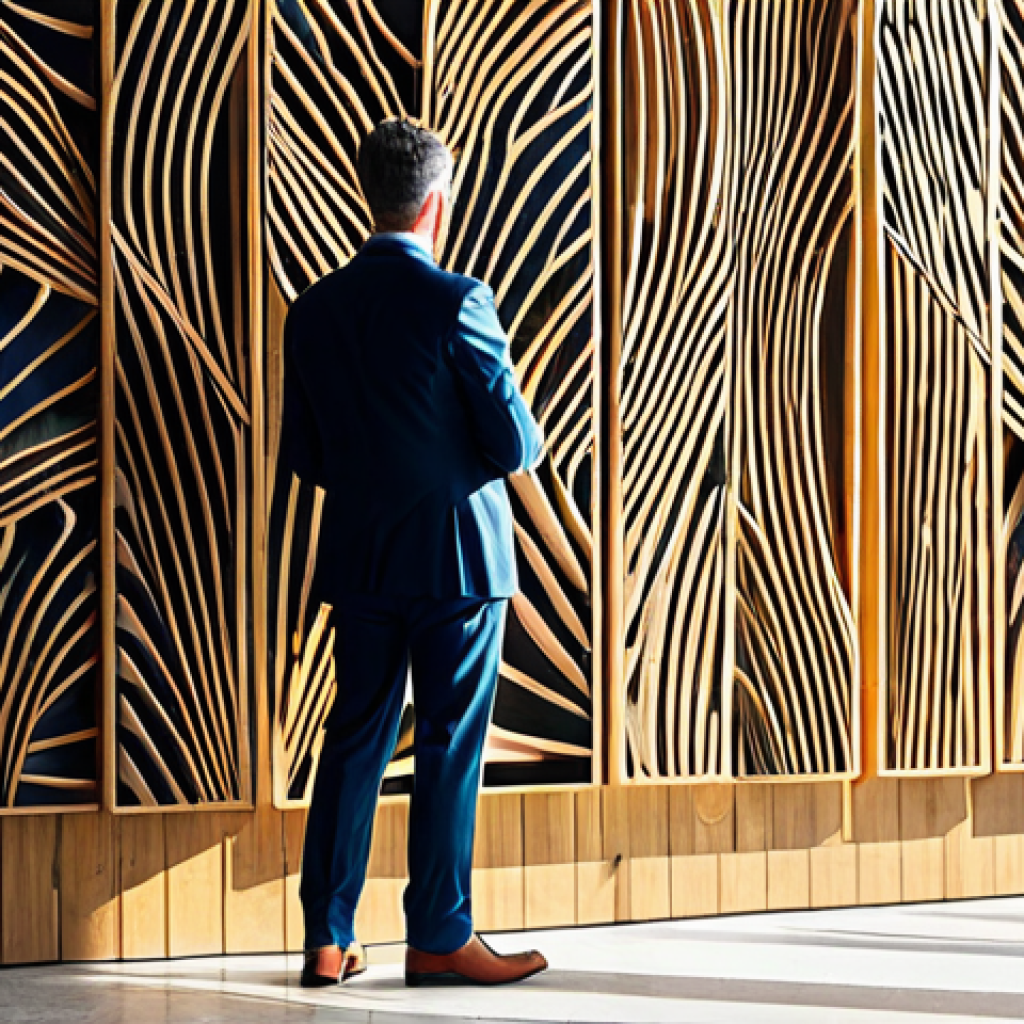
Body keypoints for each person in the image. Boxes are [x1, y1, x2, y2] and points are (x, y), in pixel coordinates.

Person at [281, 118, 548, 989]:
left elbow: (307, 457)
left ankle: (327, 938)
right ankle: (439, 936)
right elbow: (512, 445)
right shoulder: (458, 299)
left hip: (360, 560)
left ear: (371, 194)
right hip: (458, 563)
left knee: (353, 740)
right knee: (448, 743)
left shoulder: (313, 310)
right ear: (437, 201)